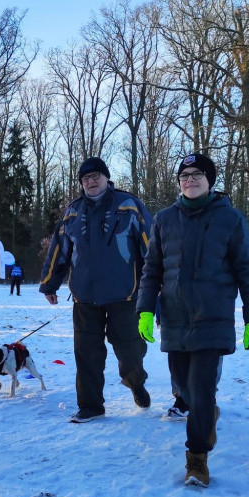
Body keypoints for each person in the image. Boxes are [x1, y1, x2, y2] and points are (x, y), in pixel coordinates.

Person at [136, 153, 249, 487]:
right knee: (185, 387)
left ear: (210, 180)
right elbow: (152, 271)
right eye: (183, 176)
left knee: (203, 388)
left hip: (214, 318)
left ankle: (197, 460)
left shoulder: (231, 220)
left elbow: (248, 272)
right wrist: (145, 310)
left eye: (196, 175)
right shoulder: (164, 220)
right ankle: (205, 413)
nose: (189, 180)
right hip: (176, 319)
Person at [39, 156, 154, 422]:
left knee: (130, 351)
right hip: (84, 296)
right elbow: (59, 250)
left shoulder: (128, 205)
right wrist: (50, 283)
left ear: (106, 178)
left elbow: (152, 245)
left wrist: (156, 281)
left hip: (125, 294)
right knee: (87, 353)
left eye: (96, 177)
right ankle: (91, 405)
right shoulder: (72, 212)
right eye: (86, 178)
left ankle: (135, 382)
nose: (91, 182)